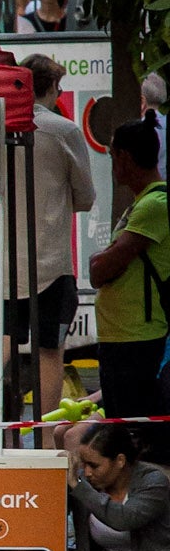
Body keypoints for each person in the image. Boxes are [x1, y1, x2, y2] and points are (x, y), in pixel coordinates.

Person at [4, 59, 97, 415]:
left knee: (0, 346)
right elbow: (85, 197)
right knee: (49, 351)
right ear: (52, 88)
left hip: (7, 262)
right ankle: (44, 438)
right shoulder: (64, 131)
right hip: (52, 263)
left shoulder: (1, 129)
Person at [91, 121, 170, 422]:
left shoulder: (155, 205)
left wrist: (103, 259)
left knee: (134, 430)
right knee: (121, 426)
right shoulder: (140, 204)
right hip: (120, 336)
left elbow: (101, 269)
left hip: (138, 338)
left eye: (112, 157)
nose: (113, 166)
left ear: (124, 157)